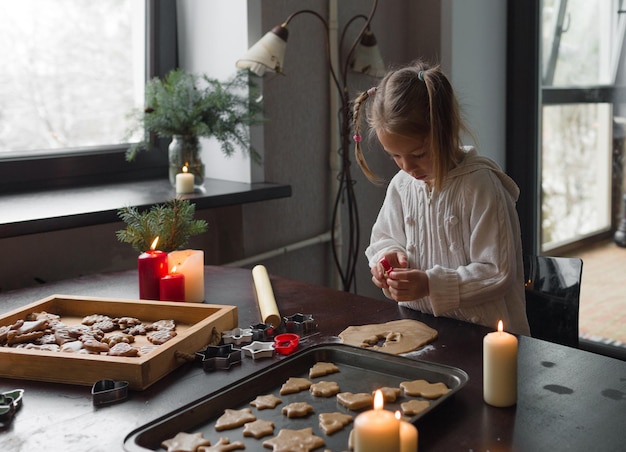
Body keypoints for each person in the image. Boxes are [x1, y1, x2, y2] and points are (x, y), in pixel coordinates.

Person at [352, 60, 530, 335]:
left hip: (483, 337)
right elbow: (384, 238)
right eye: (395, 156)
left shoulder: (480, 186)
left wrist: (429, 285)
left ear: (446, 132)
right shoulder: (402, 185)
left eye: (419, 154)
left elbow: (497, 272)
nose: (407, 167)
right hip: (416, 326)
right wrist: (387, 260)